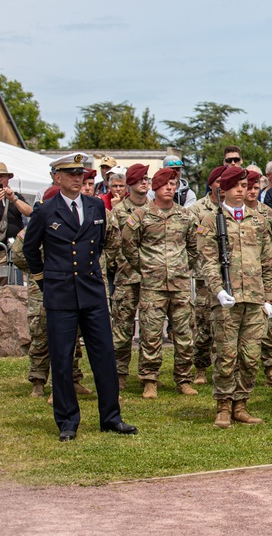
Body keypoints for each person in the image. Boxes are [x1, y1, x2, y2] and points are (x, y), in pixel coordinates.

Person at [22, 153, 137, 441]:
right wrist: (44, 280)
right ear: (56, 178)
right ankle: (67, 422)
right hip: (60, 294)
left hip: (91, 292)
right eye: (71, 174)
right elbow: (29, 250)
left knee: (104, 356)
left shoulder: (96, 206)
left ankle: (111, 417)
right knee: (61, 359)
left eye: (81, 174)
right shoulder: (45, 211)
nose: (78, 178)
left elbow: (99, 245)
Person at [197, 166, 272, 428]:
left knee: (250, 356)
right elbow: (207, 261)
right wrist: (218, 290)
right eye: (236, 187)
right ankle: (223, 406)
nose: (242, 191)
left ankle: (241, 404)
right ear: (223, 190)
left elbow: (267, 261)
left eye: (244, 186)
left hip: (254, 298)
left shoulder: (258, 220)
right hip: (227, 299)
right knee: (226, 355)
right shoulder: (211, 221)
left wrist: (269, 298)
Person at [121, 167, 199, 398]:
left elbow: (194, 247)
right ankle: (149, 380)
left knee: (184, 335)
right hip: (152, 286)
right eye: (164, 184)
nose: (169, 188)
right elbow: (128, 244)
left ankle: (184, 379)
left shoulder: (185, 216)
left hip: (180, 285)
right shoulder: (141, 215)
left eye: (172, 184)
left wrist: (183, 267)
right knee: (150, 334)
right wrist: (145, 267)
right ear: (155, 187)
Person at [13, 186, 90, 400]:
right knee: (40, 334)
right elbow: (19, 254)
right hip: (43, 288)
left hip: (67, 286)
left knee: (70, 335)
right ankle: (38, 381)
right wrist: (39, 270)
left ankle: (72, 379)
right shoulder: (37, 223)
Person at [104, 163, 150, 389]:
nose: (145, 182)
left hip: (153, 279)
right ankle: (119, 374)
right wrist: (116, 266)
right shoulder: (118, 211)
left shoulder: (154, 208)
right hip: (126, 277)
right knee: (122, 328)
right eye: (140, 179)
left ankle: (148, 375)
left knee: (151, 329)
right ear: (130, 184)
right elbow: (111, 245)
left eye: (147, 179)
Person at [244, 169, 272, 389]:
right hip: (241, 278)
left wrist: (271, 257)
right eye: (248, 188)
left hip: (265, 276)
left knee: (270, 326)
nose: (252, 192)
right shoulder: (234, 214)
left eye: (255, 188)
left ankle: (271, 370)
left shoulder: (268, 214)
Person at [188, 165, 226, 382]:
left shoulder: (231, 207)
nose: (222, 186)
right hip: (204, 275)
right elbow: (192, 241)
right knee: (203, 323)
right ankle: (201, 368)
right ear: (211, 184)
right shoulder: (198, 208)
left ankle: (224, 367)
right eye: (218, 182)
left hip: (228, 272)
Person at [0, 162, 32, 252]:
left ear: (8, 179)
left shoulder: (15, 195)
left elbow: (30, 212)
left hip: (17, 250)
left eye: (2, 176)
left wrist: (14, 199)